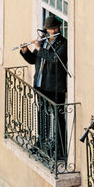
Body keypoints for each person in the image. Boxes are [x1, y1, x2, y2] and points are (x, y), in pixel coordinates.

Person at [19, 15, 68, 162]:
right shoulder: (45, 41)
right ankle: (41, 142)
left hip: (54, 87)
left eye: (54, 28)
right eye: (49, 29)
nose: (52, 31)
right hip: (41, 85)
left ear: (57, 28)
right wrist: (25, 51)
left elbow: (54, 59)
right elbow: (34, 60)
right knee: (42, 115)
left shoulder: (62, 43)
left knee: (58, 118)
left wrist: (39, 48)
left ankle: (60, 149)